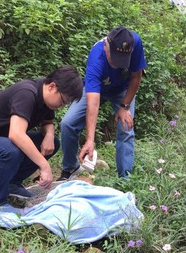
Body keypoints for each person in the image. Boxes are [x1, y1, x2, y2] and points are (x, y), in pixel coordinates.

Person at [0, 66, 83, 211]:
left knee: (53, 143)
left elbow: (47, 122)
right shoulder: (26, 93)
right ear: (52, 87)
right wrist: (44, 165)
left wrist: (49, 135)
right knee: (11, 150)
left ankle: (12, 183)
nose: (61, 106)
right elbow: (16, 134)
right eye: (62, 101)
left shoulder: (46, 99)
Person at [59, 27, 147, 180]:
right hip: (97, 88)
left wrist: (124, 106)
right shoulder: (96, 58)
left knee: (126, 127)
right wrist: (90, 140)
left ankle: (125, 180)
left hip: (123, 90)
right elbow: (93, 104)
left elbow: (136, 77)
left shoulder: (135, 42)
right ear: (106, 45)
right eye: (114, 58)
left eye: (122, 60)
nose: (118, 64)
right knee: (68, 123)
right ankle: (70, 169)